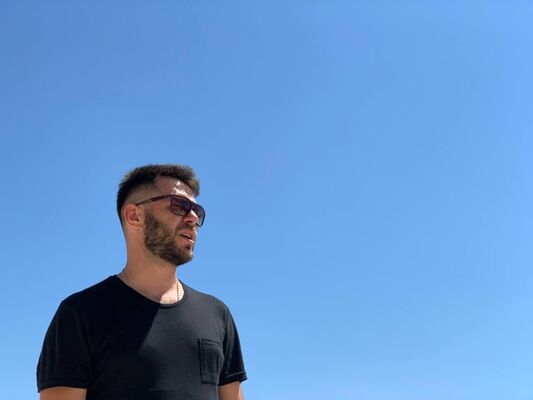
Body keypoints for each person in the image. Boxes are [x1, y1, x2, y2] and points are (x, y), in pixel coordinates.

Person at [37, 164, 247, 400]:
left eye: (197, 210)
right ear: (134, 216)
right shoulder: (80, 314)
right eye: (179, 205)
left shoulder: (217, 314)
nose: (193, 218)